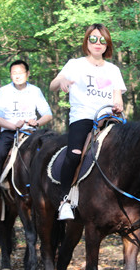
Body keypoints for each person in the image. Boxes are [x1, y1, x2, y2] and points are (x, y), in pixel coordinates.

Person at [49, 23, 126, 220]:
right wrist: (62, 82)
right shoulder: (75, 64)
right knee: (74, 155)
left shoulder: (113, 70)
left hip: (109, 118)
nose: (97, 43)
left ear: (107, 44)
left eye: (102, 39)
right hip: (83, 117)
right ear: (87, 41)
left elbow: (118, 98)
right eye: (93, 38)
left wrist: (118, 106)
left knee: (133, 153)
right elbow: (53, 85)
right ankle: (65, 200)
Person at [0, 60, 53, 203]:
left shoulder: (35, 91)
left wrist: (37, 122)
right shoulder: (4, 91)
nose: (17, 76)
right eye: (14, 73)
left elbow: (47, 114)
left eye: (20, 73)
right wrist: (12, 126)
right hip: (9, 131)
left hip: (31, 132)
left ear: (27, 74)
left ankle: (50, 185)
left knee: (48, 151)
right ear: (10, 75)